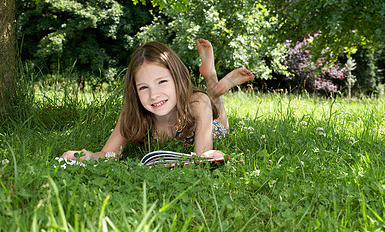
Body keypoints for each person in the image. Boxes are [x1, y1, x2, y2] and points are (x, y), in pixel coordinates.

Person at [61, 39, 254, 161]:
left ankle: (213, 84)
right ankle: (213, 87)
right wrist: (88, 156)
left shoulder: (197, 103)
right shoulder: (132, 110)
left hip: (203, 119)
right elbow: (109, 154)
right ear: (134, 91)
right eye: (143, 87)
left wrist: (208, 156)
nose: (154, 95)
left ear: (179, 78)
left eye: (161, 82)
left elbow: (202, 154)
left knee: (222, 128)